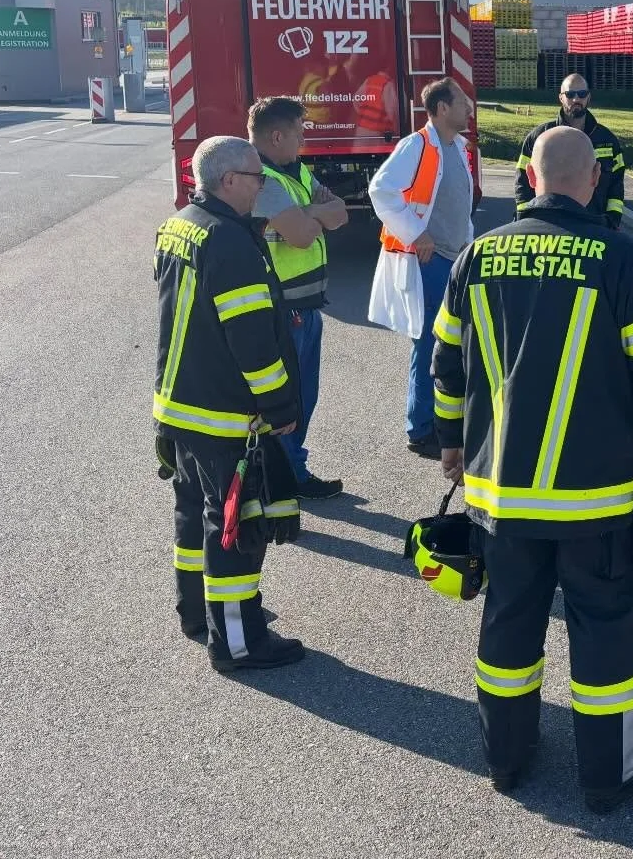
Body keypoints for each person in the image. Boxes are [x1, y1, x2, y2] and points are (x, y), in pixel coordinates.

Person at [432, 126, 633, 813]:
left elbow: (447, 366)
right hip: (596, 500)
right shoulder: (621, 258)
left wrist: (451, 444)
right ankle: (609, 777)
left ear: (529, 176)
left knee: (508, 624)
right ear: (593, 181)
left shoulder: (477, 255)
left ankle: (506, 758)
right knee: (604, 633)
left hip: (502, 494)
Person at [154, 135, 307, 672]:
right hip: (224, 414)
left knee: (192, 514)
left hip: (179, 405)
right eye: (256, 178)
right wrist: (281, 406)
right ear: (228, 180)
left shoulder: (180, 224)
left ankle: (198, 613)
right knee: (234, 529)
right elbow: (252, 343)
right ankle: (239, 642)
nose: (262, 186)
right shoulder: (231, 243)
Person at [368, 78, 476, 459]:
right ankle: (421, 428)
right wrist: (417, 233)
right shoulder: (417, 145)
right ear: (442, 108)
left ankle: (441, 421)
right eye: (462, 103)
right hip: (430, 262)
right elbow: (381, 190)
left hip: (454, 259)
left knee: (450, 343)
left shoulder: (456, 146)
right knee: (430, 343)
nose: (469, 109)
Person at [247, 96, 349, 498]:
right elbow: (303, 236)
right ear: (277, 136)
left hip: (306, 306)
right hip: (284, 308)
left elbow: (341, 213)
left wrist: (307, 212)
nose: (304, 140)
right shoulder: (263, 180)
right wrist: (313, 214)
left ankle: (289, 471)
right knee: (289, 401)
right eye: (299, 132)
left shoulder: (295, 171)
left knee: (303, 397)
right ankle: (289, 477)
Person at [513, 74, 625, 229]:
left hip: (594, 227)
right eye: (570, 94)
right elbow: (523, 182)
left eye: (582, 94)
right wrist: (525, 219)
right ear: (561, 97)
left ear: (588, 97)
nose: (576, 99)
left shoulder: (607, 140)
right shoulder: (539, 138)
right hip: (548, 226)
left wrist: (612, 221)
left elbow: (616, 186)